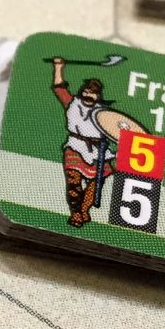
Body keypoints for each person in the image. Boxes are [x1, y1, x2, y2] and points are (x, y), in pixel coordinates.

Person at [50, 56, 110, 228]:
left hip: (97, 151)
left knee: (96, 183)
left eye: (93, 93)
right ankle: (76, 213)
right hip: (75, 146)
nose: (88, 95)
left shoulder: (103, 113)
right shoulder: (72, 103)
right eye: (86, 91)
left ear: (98, 96)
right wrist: (59, 67)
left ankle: (84, 210)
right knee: (73, 182)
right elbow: (59, 87)